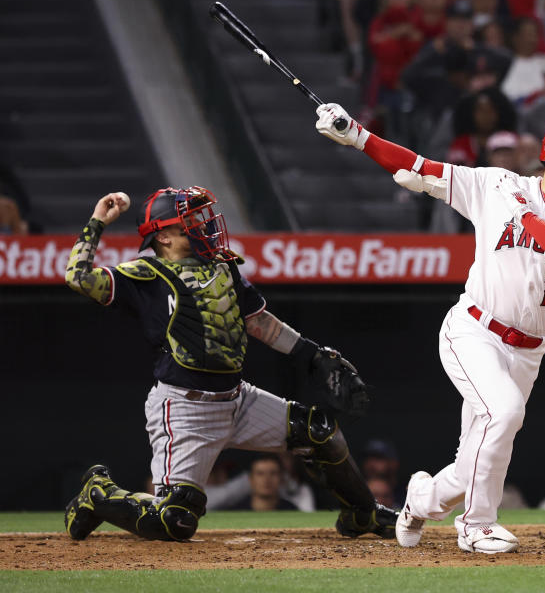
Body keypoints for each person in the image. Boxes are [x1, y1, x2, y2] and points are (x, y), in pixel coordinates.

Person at [315, 104, 545, 554]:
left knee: (472, 460)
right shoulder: (499, 184)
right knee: (506, 412)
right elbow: (420, 168)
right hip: (474, 330)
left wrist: (527, 220)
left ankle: (419, 500)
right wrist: (358, 135)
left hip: (529, 351)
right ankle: (476, 525)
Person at [63, 187, 396, 542]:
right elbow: (78, 276)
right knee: (174, 519)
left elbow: (259, 322)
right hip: (185, 408)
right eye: (189, 222)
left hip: (238, 400)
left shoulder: (222, 266)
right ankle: (98, 493)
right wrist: (98, 221)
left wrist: (312, 354)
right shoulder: (144, 274)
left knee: (317, 430)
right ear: (162, 235)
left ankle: (363, 513)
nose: (202, 227)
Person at [233, 455, 299, 511]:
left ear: (281, 478)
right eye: (260, 473)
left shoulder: (293, 511)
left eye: (273, 473)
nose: (266, 480)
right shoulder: (235, 512)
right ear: (251, 479)